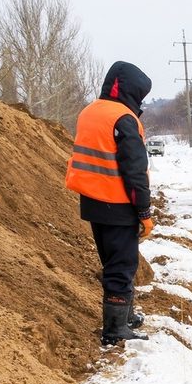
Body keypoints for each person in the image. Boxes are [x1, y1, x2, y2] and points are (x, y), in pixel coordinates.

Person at [66, 61, 153, 346]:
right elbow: (135, 171)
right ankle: (115, 330)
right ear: (130, 92)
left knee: (112, 260)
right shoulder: (124, 118)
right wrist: (144, 210)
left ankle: (124, 317)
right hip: (118, 203)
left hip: (92, 201)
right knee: (123, 264)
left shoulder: (89, 112)